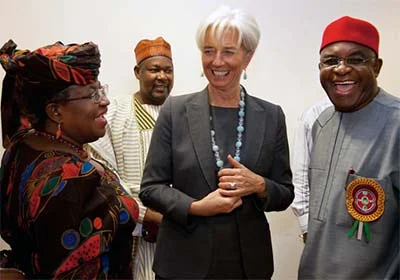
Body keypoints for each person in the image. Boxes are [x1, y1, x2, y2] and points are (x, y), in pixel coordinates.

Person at [139, 6, 294, 279]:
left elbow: (284, 192)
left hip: (247, 266)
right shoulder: (175, 111)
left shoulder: (271, 116)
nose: (217, 61)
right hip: (181, 264)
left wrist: (258, 185)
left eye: (229, 51)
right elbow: (151, 188)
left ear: (248, 57)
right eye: (208, 51)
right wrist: (197, 207)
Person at [0, 40, 139, 279]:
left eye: (102, 90)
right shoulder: (72, 175)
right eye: (92, 95)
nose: (104, 102)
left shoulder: (21, 145)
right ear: (55, 111)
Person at [298, 16, 399, 279]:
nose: (341, 69)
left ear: (376, 67)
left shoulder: (397, 125)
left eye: (356, 59)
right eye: (331, 61)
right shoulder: (321, 124)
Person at [88, 37, 173, 280]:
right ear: (138, 72)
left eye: (168, 70)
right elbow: (104, 176)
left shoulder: (183, 113)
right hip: (131, 230)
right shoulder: (113, 112)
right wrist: (147, 215)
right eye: (154, 69)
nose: (162, 76)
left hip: (176, 230)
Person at [290, 97, 331, 243]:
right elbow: (301, 173)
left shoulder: (393, 115)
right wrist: (306, 226)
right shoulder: (315, 115)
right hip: (326, 229)